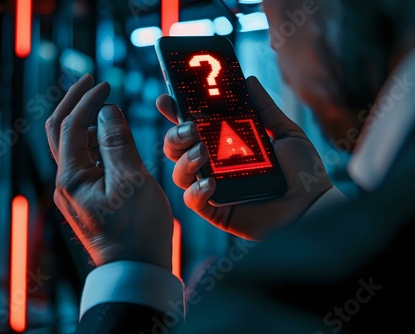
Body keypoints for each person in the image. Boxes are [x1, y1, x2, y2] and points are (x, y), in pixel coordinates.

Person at [44, 0, 415, 332]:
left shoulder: (272, 301)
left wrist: (128, 266)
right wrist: (308, 210)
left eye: (273, 13)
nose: (275, 44)